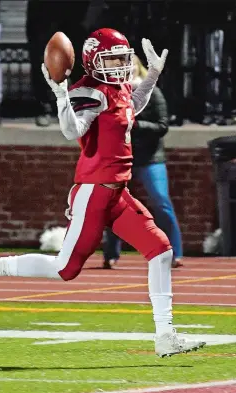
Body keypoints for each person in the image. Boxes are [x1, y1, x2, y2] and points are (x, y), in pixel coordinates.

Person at [0, 28, 205, 358]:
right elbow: (73, 129)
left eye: (122, 59)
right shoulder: (89, 91)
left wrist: (153, 74)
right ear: (92, 61)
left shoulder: (118, 89)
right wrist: (60, 95)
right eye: (112, 59)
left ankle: (165, 334)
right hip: (95, 191)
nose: (119, 65)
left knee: (160, 251)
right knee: (65, 269)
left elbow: (134, 104)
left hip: (117, 192)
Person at [102, 55, 183, 269]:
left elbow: (163, 126)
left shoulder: (152, 93)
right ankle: (111, 254)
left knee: (161, 201)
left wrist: (137, 125)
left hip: (150, 158)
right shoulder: (112, 95)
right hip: (122, 157)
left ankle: (175, 252)